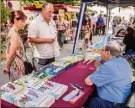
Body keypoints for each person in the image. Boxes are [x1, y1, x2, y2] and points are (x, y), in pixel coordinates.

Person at [84, 41, 132, 108]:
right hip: (121, 97)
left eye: (102, 50)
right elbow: (105, 66)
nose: (101, 53)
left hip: (111, 103)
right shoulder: (123, 61)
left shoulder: (109, 66)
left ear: (107, 53)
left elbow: (88, 82)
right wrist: (96, 60)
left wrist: (94, 73)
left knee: (85, 100)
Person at [28, 2, 60, 69]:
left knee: (50, 77)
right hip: (40, 58)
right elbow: (31, 39)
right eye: (49, 12)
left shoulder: (52, 22)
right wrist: (46, 40)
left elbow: (54, 34)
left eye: (52, 12)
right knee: (40, 78)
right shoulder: (35, 23)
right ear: (43, 10)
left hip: (51, 55)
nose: (51, 14)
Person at [3, 10, 27, 81]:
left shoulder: (13, 31)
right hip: (17, 66)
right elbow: (12, 54)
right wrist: (7, 67)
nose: (24, 23)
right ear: (15, 20)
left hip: (15, 65)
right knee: (19, 88)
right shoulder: (14, 34)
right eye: (22, 21)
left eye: (24, 20)